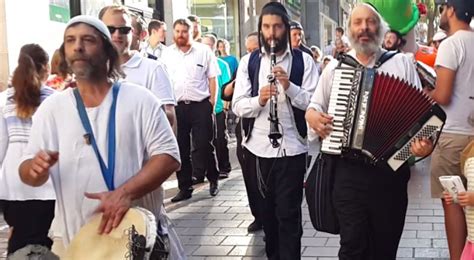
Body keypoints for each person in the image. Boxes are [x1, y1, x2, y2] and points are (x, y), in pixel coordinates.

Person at [18, 16, 182, 257]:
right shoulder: (52, 108)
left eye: (87, 40)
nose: (78, 47)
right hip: (76, 243)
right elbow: (26, 170)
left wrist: (125, 193)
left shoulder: (140, 100)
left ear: (107, 50)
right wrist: (34, 169)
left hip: (136, 240)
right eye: (70, 41)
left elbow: (168, 157)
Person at [306, 4, 433, 259]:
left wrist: (423, 145)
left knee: (386, 248)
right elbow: (314, 107)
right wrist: (313, 118)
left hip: (391, 173)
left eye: (370, 22)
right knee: (352, 247)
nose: (364, 27)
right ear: (350, 30)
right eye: (357, 22)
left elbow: (422, 119)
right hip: (347, 173)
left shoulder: (401, 64)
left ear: (381, 28)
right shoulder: (335, 68)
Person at [232, 2, 319, 258]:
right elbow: (237, 106)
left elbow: (314, 103)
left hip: (292, 149)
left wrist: (289, 86)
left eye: (277, 27)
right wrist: (258, 100)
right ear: (260, 29)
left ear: (286, 28)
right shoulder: (249, 62)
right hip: (258, 151)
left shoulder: (304, 61)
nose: (271, 33)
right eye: (266, 27)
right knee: (268, 219)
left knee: (289, 218)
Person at [0, 44, 57, 259]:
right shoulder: (55, 100)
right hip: (47, 182)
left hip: (13, 185)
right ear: (47, 68)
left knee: (19, 237)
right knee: (46, 240)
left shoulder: (5, 99)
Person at [428, 0, 474, 258]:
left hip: (453, 137)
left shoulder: (451, 44)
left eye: (444, 7)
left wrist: (427, 91)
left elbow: (443, 95)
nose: (443, 13)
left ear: (452, 10)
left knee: (454, 202)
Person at [161, 18, 220, 202]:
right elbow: (162, 80)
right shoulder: (167, 54)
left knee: (204, 145)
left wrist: (211, 103)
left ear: (191, 32)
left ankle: (213, 178)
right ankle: (184, 187)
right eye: (177, 31)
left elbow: (213, 79)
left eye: (184, 31)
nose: (180, 35)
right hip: (177, 107)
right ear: (173, 32)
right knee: (181, 148)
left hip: (200, 105)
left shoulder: (203, 51)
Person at [99, 5, 176, 129]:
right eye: (110, 29)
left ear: (132, 33)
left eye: (124, 29)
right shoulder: (92, 70)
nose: (117, 35)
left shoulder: (154, 69)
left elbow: (170, 118)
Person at [202, 34, 232, 179]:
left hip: (219, 108)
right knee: (206, 141)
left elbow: (226, 87)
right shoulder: (199, 62)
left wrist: (225, 108)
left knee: (220, 138)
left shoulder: (222, 65)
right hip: (202, 109)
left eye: (208, 45)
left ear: (214, 48)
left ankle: (224, 167)